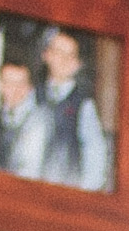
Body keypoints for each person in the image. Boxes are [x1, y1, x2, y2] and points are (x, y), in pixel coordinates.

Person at [13, 24, 110, 191]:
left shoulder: (83, 105)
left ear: (77, 64)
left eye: (69, 55)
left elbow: (95, 156)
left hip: (65, 193)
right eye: (58, 53)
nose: (63, 60)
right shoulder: (32, 97)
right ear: (47, 55)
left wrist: (82, 194)